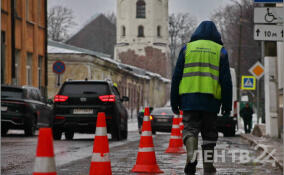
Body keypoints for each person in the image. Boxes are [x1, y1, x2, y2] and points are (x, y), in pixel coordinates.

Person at [170, 21, 232, 175]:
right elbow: (226, 81)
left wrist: (174, 100)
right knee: (209, 134)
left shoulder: (186, 49)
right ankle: (208, 168)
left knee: (190, 129)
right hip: (211, 102)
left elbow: (176, 76)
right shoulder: (220, 51)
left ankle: (191, 156)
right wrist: (227, 104)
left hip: (189, 100)